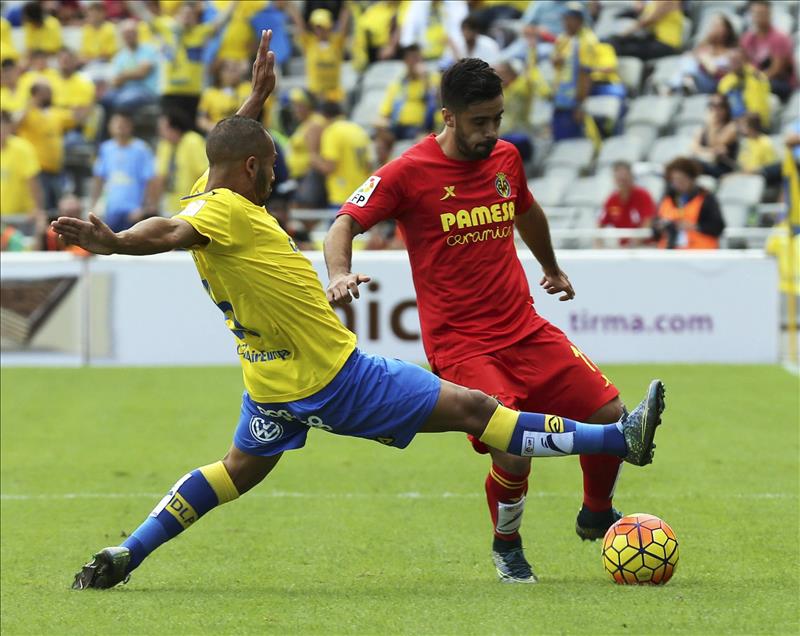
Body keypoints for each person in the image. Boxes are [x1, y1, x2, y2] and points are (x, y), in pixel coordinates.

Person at [60, 32, 666, 590]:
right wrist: (118, 242)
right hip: (335, 378)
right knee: (480, 411)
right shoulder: (224, 211)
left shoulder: (208, 189)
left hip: (271, 384)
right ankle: (619, 438)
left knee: (233, 471)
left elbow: (227, 152)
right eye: (271, 165)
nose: (276, 175)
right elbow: (170, 230)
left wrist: (257, 99)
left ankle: (127, 552)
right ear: (251, 169)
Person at [324, 58, 660, 584]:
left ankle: (596, 513)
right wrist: (339, 273)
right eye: (479, 121)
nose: (491, 131)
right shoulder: (407, 172)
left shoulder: (505, 157)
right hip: (461, 345)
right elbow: (344, 222)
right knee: (512, 447)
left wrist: (551, 266)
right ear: (448, 116)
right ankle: (508, 546)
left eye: (497, 119)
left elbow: (526, 211)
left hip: (523, 327)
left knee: (609, 410)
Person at [91, 111, 157, 232]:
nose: (120, 127)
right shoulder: (106, 149)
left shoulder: (141, 149)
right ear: (110, 126)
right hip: (110, 211)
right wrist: (94, 206)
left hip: (134, 211)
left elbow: (150, 179)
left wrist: (145, 208)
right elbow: (99, 179)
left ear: (131, 126)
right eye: (116, 123)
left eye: (124, 124)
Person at [16, 81, 71, 212]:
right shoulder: (29, 113)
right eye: (44, 92)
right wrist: (29, 105)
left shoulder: (55, 112)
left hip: (56, 169)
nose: (48, 95)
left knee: (58, 207)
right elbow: (15, 124)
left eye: (49, 92)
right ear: (35, 94)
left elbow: (75, 118)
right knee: (44, 207)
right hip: (38, 169)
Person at [551, 3, 601, 143]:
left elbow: (585, 75)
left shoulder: (587, 41)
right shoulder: (564, 38)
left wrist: (580, 105)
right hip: (560, 97)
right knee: (558, 140)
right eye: (564, 19)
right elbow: (555, 62)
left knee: (571, 142)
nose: (566, 23)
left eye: (570, 19)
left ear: (579, 20)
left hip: (574, 102)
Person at [654, 157, 725, 249]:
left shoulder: (706, 198)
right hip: (670, 251)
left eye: (682, 180)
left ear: (692, 178)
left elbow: (718, 227)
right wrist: (660, 227)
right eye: (674, 180)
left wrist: (695, 227)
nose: (678, 184)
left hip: (700, 251)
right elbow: (655, 227)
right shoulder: (666, 198)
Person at [311, 101, 372, 208]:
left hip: (341, 197)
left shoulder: (332, 131)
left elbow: (329, 167)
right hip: (361, 195)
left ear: (324, 116)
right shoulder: (357, 129)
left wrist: (313, 158)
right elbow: (369, 164)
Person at [101, 19, 160, 128]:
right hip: (124, 90)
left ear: (137, 34)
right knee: (105, 99)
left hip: (146, 90)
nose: (129, 36)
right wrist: (128, 75)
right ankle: (108, 134)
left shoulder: (149, 50)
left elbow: (142, 73)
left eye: (132, 32)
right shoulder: (120, 56)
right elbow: (115, 81)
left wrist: (124, 75)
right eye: (126, 33)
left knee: (124, 100)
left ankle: (124, 130)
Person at [377, 44, 440, 145]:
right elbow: (384, 113)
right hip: (398, 126)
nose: (415, 62)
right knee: (380, 131)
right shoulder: (398, 84)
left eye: (418, 58)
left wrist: (424, 79)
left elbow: (436, 102)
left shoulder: (432, 79)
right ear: (405, 61)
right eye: (412, 58)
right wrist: (382, 121)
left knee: (422, 139)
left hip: (420, 128)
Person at [740, 0, 796, 102]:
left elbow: (777, 69)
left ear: (770, 14)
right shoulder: (747, 38)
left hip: (780, 82)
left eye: (762, 13)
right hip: (757, 79)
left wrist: (757, 78)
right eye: (756, 13)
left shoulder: (780, 38)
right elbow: (744, 62)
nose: (759, 17)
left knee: (755, 86)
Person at [153, 110, 208, 213]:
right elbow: (161, 176)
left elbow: (203, 173)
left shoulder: (193, 141)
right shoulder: (164, 145)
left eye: (163, 128)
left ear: (175, 128)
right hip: (170, 204)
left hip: (192, 204)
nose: (160, 132)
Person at [290, 6, 349, 103]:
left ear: (329, 27)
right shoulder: (309, 43)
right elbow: (299, 25)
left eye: (322, 27)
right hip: (315, 95)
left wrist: (347, 7)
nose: (319, 30)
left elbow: (344, 28)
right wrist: (290, 7)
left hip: (334, 95)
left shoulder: (336, 43)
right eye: (316, 27)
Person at [670, 14, 738, 95]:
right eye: (713, 26)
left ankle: (675, 87)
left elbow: (718, 72)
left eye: (718, 26)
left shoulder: (732, 51)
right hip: (699, 78)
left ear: (727, 30)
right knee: (688, 59)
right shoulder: (705, 47)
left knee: (691, 63)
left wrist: (707, 62)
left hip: (716, 82)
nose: (715, 29)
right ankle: (684, 84)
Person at [0, 109, 45, 231]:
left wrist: (37, 208)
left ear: (9, 127)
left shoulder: (23, 148)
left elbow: (33, 181)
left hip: (20, 218)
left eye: (3, 127)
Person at [598, 161, 656, 246]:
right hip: (624, 248)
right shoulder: (612, 200)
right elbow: (600, 224)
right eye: (619, 177)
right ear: (614, 179)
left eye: (625, 176)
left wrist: (632, 245)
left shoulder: (643, 195)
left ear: (631, 176)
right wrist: (598, 246)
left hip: (645, 246)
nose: (622, 180)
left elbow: (648, 222)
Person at [606, 0, 684, 61]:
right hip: (652, 39)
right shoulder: (653, 2)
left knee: (622, 47)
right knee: (612, 42)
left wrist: (623, 34)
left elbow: (648, 21)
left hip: (666, 44)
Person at [718, 48, 772, 129]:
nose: (735, 64)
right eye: (732, 61)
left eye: (737, 60)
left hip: (757, 123)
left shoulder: (756, 76)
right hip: (736, 123)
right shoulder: (724, 83)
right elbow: (724, 106)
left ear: (744, 60)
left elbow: (760, 105)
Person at [691, 94, 739, 178]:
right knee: (684, 165)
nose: (716, 109)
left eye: (720, 106)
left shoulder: (731, 127)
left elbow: (713, 144)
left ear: (726, 108)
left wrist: (712, 125)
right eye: (712, 105)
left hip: (723, 168)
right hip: (706, 162)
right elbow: (694, 148)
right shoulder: (704, 127)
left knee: (691, 166)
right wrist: (709, 152)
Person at [196, 60, 249, 134]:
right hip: (218, 132)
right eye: (228, 70)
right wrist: (215, 128)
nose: (232, 73)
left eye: (235, 69)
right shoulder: (210, 93)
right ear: (219, 73)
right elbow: (201, 120)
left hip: (243, 131)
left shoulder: (247, 88)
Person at [738, 111, 779, 184]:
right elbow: (742, 164)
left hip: (759, 180)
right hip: (744, 178)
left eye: (743, 125)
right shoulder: (745, 142)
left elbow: (770, 168)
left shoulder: (765, 142)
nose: (740, 127)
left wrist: (754, 171)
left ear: (751, 126)